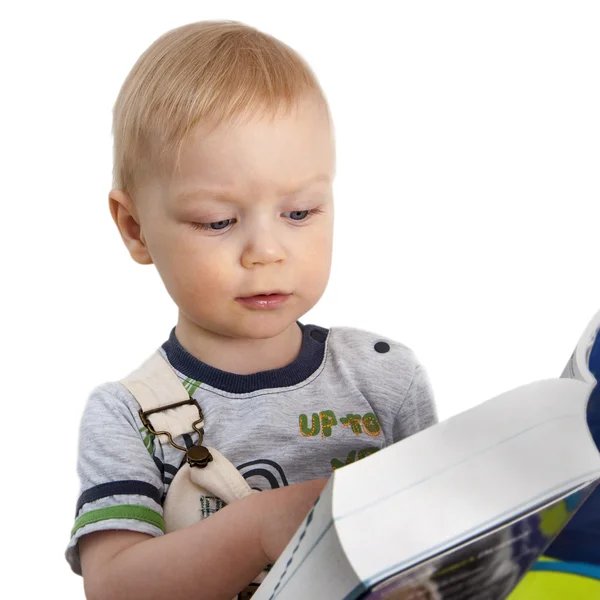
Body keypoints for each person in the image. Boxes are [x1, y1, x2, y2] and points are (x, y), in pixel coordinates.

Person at [65, 20, 437, 600]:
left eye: (300, 212)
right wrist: (261, 526)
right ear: (135, 228)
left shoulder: (385, 379)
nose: (267, 251)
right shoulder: (127, 416)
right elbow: (113, 587)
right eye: (218, 221)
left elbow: (442, 543)